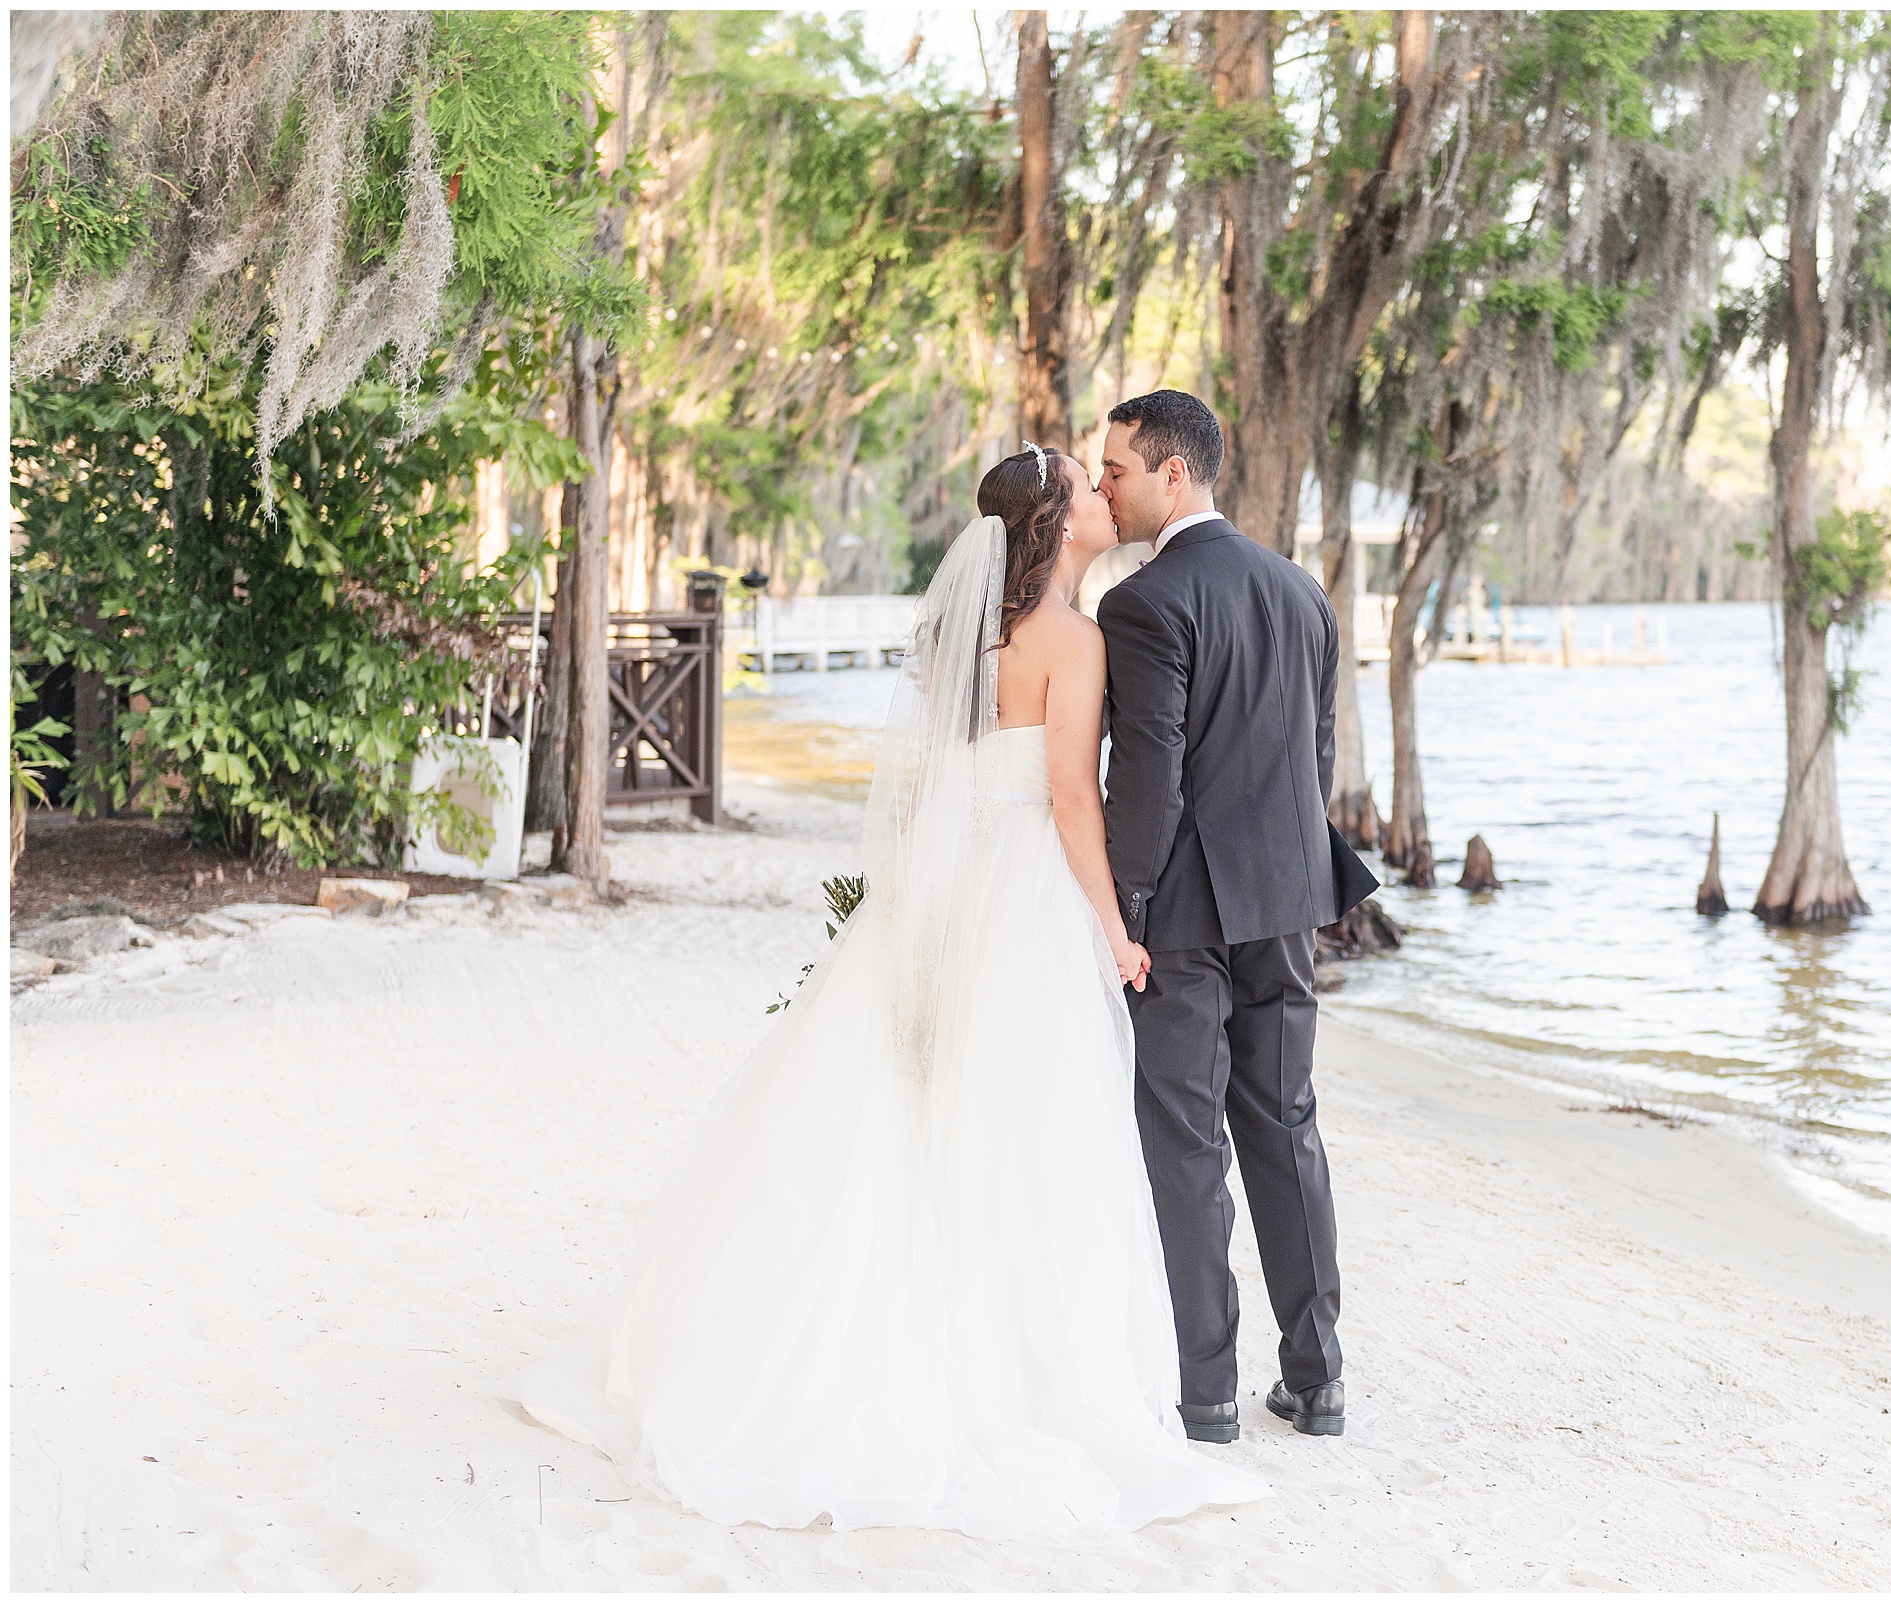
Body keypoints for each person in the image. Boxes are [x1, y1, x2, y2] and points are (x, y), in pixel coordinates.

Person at [517, 445, 1267, 1542]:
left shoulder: (961, 635)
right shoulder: (1075, 639)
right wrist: (1114, 928)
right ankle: (1005, 1355)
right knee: (1024, 1128)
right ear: (1058, 527)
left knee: (901, 1106)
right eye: (1088, 486)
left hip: (944, 886)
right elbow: (1068, 799)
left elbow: (932, 784)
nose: (1107, 497)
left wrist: (909, 900)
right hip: (1023, 892)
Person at [1093, 390, 1380, 1443]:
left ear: (1176, 472)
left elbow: (1151, 781)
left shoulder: (1143, 603)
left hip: (1183, 915)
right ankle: (1318, 1377)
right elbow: (1314, 760)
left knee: (1183, 1142)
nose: (1106, 487)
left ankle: (1208, 1389)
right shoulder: (1305, 594)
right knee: (1288, 1125)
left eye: (1117, 467)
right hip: (1289, 903)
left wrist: (1121, 913)